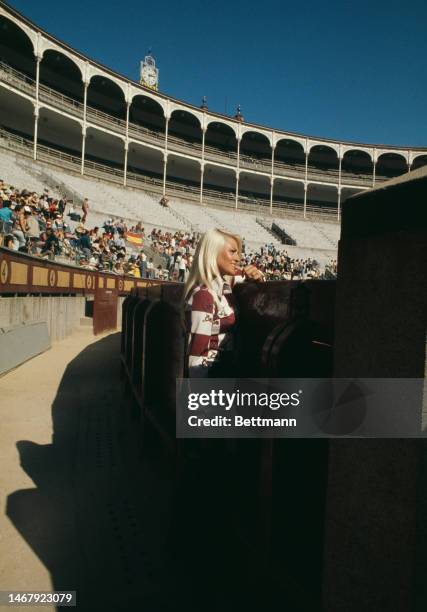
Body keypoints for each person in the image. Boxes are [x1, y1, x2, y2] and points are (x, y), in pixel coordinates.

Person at [183, 228, 263, 378]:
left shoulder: (223, 285)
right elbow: (198, 353)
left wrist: (256, 275)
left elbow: (246, 276)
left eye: (238, 252)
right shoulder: (203, 295)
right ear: (213, 253)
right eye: (232, 252)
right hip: (212, 375)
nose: (238, 258)